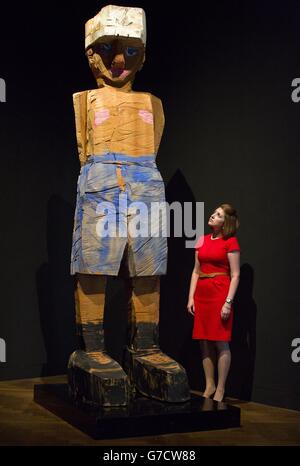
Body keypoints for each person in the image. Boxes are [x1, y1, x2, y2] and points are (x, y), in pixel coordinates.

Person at [187, 203, 240, 402]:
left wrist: (228, 302)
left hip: (220, 293)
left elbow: (235, 275)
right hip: (202, 293)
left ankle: (221, 388)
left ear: (225, 222)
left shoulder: (230, 242)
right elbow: (195, 271)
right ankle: (209, 385)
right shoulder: (202, 240)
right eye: (214, 212)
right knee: (204, 342)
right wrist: (191, 297)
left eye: (218, 215)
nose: (212, 215)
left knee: (220, 342)